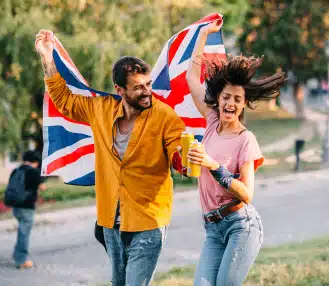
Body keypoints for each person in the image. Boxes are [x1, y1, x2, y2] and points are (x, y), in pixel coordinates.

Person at [35, 30, 185, 285]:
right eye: (138, 87)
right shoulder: (101, 110)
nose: (147, 91)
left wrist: (184, 160)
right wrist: (47, 58)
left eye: (148, 84)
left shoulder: (164, 116)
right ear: (119, 89)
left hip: (148, 220)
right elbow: (64, 100)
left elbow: (176, 152)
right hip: (111, 220)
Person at [185, 20, 286, 285]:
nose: (230, 103)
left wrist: (213, 165)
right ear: (218, 98)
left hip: (240, 225)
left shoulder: (246, 140)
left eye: (237, 99)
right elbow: (191, 78)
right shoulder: (211, 122)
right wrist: (203, 35)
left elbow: (247, 192)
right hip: (212, 227)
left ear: (243, 105)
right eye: (226, 97)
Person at [6, 150, 46, 269]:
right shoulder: (33, 172)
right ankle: (21, 260)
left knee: (21, 232)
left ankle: (17, 254)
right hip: (26, 208)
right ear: (35, 162)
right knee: (24, 233)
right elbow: (43, 187)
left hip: (15, 207)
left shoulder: (16, 170)